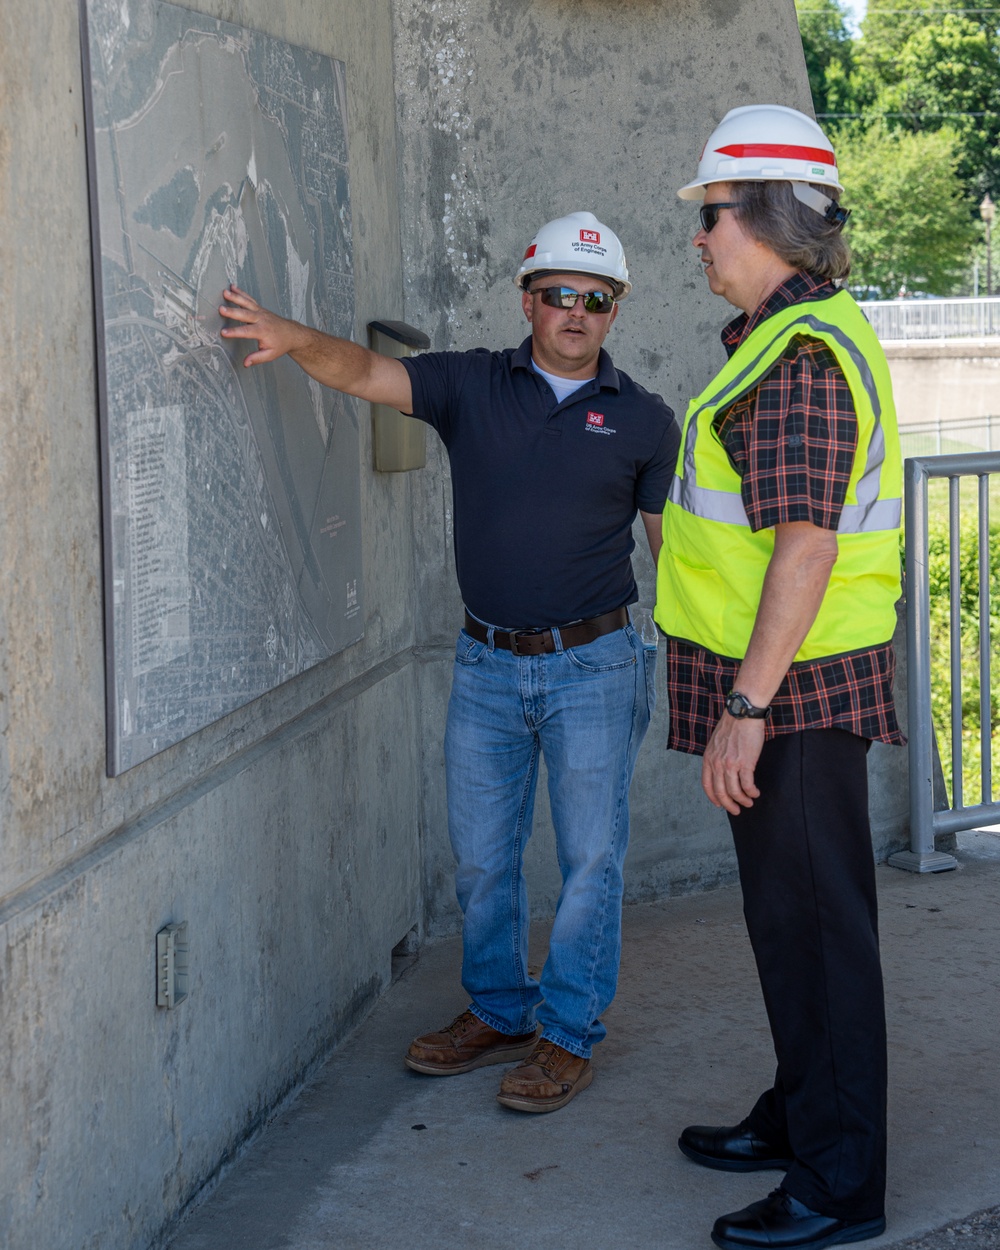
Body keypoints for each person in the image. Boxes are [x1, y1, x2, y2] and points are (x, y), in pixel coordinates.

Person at [220, 211, 679, 1113]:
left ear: (614, 311)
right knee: (481, 859)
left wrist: (722, 665)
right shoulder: (472, 384)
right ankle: (500, 1012)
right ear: (529, 298)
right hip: (487, 668)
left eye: (596, 299)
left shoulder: (644, 421)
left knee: (591, 860)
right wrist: (287, 334)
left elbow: (674, 551)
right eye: (559, 295)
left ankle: (568, 1034)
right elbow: (364, 371)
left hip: (597, 667)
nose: (577, 312)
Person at [654, 106, 904, 1249]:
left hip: (793, 698)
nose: (698, 240)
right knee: (787, 925)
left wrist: (742, 710)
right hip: (785, 689)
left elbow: (804, 545)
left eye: (707, 217)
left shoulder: (799, 356)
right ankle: (804, 1112)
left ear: (758, 215)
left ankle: (838, 1180)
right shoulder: (784, 336)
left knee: (815, 932)